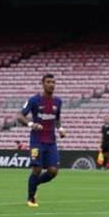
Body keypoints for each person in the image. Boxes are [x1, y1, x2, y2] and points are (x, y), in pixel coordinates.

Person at [18, 73, 65, 207]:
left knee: (53, 171)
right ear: (43, 84)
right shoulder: (34, 100)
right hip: (37, 141)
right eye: (48, 82)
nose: (51, 85)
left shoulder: (58, 102)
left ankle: (36, 183)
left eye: (53, 82)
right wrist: (31, 124)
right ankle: (31, 198)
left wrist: (60, 128)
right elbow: (20, 116)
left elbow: (57, 119)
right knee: (37, 169)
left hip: (51, 141)